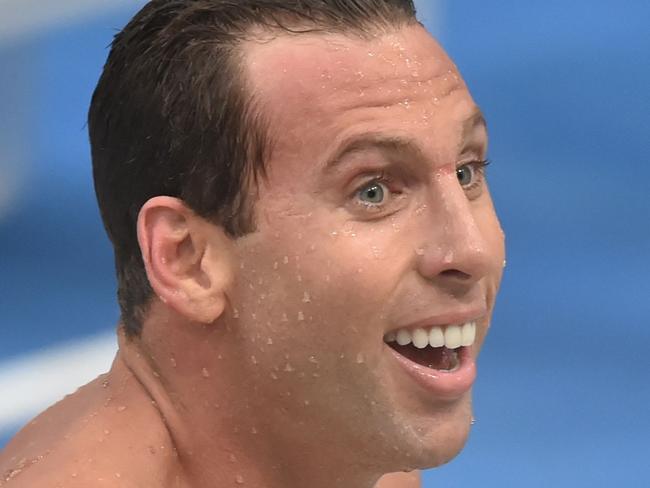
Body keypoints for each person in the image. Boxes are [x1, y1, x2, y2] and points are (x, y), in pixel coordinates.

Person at [0, 1, 505, 486]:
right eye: (372, 192)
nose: (470, 251)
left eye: (466, 171)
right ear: (187, 260)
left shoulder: (350, 445)